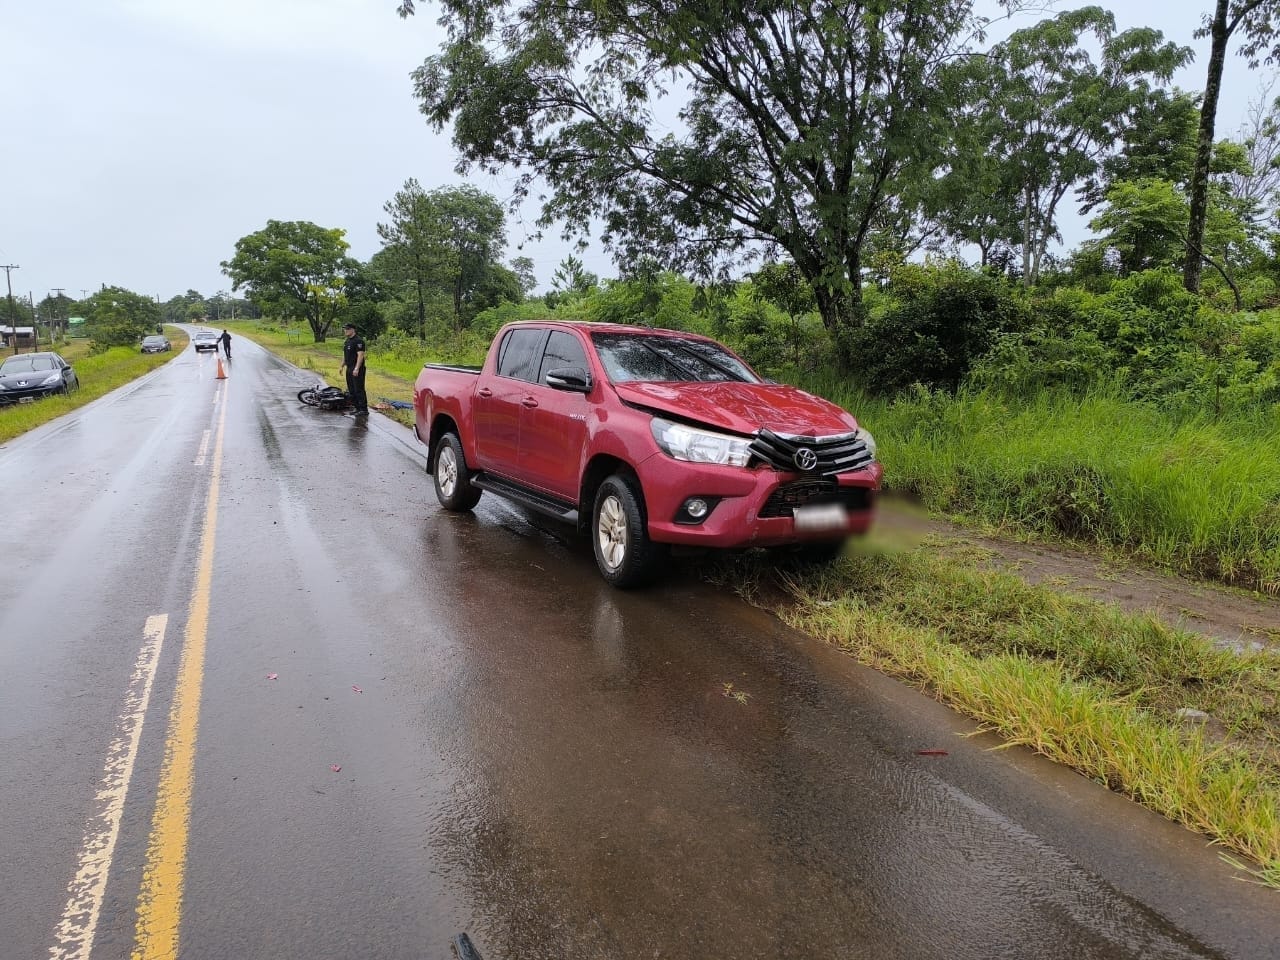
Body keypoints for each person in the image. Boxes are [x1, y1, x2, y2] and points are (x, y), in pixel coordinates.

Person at [340, 322, 368, 416]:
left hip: (357, 368)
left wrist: (356, 368)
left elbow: (360, 355)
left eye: (347, 329)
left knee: (358, 389)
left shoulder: (358, 341)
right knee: (351, 389)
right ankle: (357, 407)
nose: (345, 331)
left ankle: (363, 409)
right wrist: (342, 365)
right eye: (345, 329)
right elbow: (345, 355)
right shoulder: (347, 341)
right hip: (349, 367)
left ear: (353, 330)